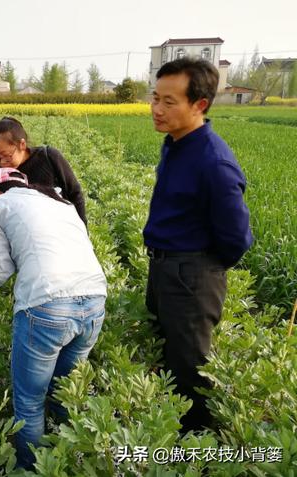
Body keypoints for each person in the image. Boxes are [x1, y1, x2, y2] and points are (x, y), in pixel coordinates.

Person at [144, 57, 253, 433]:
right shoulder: (175, 144)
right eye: (155, 98)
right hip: (165, 269)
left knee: (190, 371)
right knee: (168, 357)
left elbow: (237, 238)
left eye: (169, 102)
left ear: (199, 105)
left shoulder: (214, 161)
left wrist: (200, 269)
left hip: (191, 277)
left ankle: (198, 454)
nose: (157, 109)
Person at [0, 168, 107, 470]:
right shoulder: (60, 202)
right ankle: (69, 459)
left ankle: (33, 469)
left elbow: (0, 271)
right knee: (64, 392)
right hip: (94, 300)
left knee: (30, 402)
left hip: (47, 305)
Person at [0, 116, 87, 225]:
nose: (2, 162)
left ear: (22, 145)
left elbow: (74, 193)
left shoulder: (48, 157)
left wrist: (82, 230)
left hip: (63, 225)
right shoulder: (1, 176)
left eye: (6, 155)